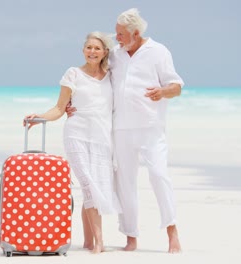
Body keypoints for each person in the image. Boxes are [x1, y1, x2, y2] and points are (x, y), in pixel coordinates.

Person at [66, 8, 183, 253]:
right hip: (120, 129)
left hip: (151, 127)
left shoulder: (158, 52)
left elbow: (176, 86)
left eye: (121, 34)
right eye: (116, 33)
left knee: (159, 175)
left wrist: (162, 92)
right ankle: (131, 237)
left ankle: (172, 232)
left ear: (136, 33)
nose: (116, 38)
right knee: (125, 184)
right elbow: (94, 80)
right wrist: (71, 103)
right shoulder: (116, 56)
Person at [24, 32, 120, 254]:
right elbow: (59, 108)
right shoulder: (73, 74)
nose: (92, 52)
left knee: (96, 187)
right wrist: (38, 118)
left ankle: (87, 242)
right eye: (88, 47)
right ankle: (99, 243)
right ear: (83, 50)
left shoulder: (112, 76)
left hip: (102, 138)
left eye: (97, 48)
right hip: (76, 134)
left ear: (105, 51)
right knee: (89, 185)